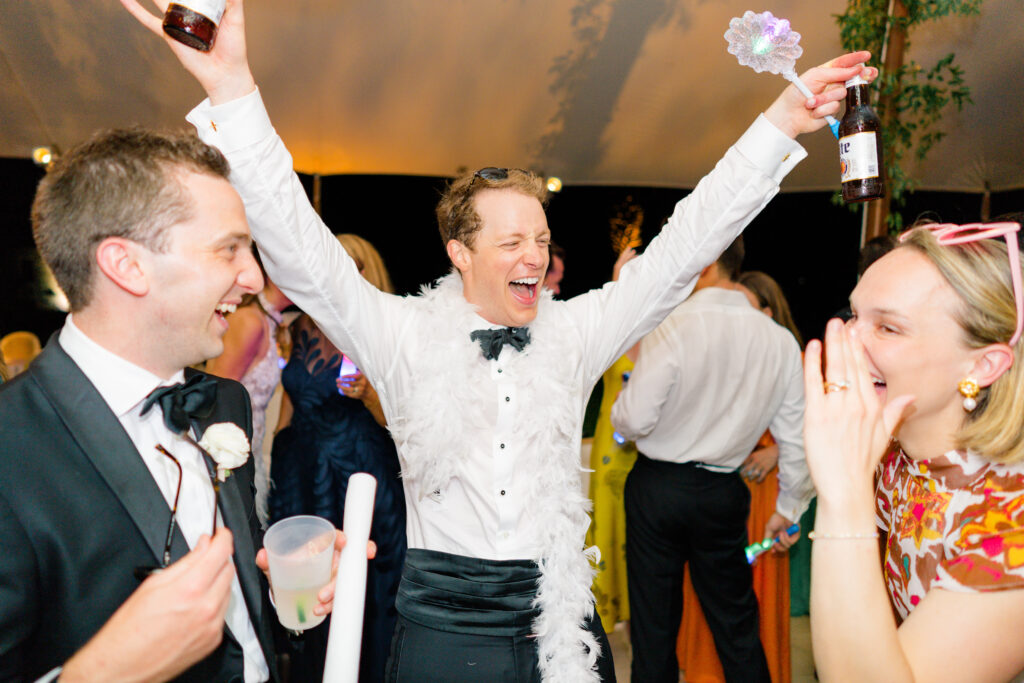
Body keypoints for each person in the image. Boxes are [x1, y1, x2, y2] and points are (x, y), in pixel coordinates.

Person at [120, 2, 871, 678]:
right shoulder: (399, 333)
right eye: (511, 240)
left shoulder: (576, 330)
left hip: (561, 616)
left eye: (541, 239)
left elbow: (683, 249)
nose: (535, 257)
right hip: (444, 621)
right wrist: (232, 90)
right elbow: (295, 241)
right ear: (459, 252)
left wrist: (778, 123)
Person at [0, 127, 356, 682]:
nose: (253, 276)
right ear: (127, 265)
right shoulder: (12, 445)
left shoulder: (225, 403)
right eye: (228, 249)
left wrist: (280, 583)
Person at [803, 221, 1024, 682]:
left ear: (983, 364)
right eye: (853, 314)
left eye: (888, 327)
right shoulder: (898, 455)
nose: (845, 340)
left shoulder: (1011, 523)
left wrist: (843, 496)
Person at [611, 237, 813, 683]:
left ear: (703, 266)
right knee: (737, 625)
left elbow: (634, 419)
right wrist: (789, 508)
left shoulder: (673, 325)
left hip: (657, 489)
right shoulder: (778, 341)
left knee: (653, 628)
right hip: (723, 491)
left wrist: (619, 412)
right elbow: (797, 437)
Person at [269, 233, 405, 683]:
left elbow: (402, 424)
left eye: (355, 264)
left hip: (360, 475)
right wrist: (275, 468)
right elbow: (290, 406)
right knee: (305, 587)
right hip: (302, 478)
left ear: (370, 273)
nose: (344, 271)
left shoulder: (384, 329)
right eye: (335, 262)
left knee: (364, 587)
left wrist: (369, 394)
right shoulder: (297, 326)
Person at [676, 269, 805, 683]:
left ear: (768, 312)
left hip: (768, 492)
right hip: (720, 488)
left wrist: (777, 451)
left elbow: (816, 429)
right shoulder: (720, 356)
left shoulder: (791, 356)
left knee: (756, 587)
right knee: (709, 585)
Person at [205, 251, 292, 525]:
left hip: (250, 448)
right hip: (230, 456)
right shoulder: (250, 321)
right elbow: (215, 394)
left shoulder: (270, 321)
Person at [585, 246, 639, 634]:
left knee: (639, 529)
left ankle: (639, 609)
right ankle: (604, 612)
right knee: (606, 524)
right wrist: (618, 282)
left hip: (647, 448)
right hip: (610, 446)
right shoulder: (611, 331)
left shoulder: (661, 327)